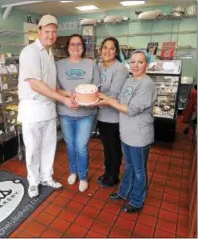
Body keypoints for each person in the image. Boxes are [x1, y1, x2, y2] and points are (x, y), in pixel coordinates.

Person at [18, 15, 78, 198]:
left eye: (53, 32)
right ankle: (33, 182)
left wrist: (65, 93)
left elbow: (50, 85)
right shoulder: (30, 52)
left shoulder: (49, 54)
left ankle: (46, 177)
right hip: (33, 108)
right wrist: (63, 100)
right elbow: (35, 84)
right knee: (33, 148)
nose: (50, 35)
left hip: (48, 108)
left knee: (49, 146)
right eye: (47, 31)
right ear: (39, 32)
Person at [98, 50, 157, 212]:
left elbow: (131, 109)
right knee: (129, 165)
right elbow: (119, 101)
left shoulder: (147, 84)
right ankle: (124, 192)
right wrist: (100, 96)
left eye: (140, 62)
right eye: (133, 62)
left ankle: (137, 201)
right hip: (126, 133)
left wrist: (109, 101)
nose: (136, 65)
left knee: (139, 170)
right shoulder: (129, 81)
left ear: (147, 64)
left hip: (139, 135)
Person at [56, 34, 100, 192]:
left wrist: (83, 99)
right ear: (67, 47)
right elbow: (54, 88)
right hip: (65, 111)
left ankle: (82, 176)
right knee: (70, 145)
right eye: (72, 44)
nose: (75, 46)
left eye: (79, 44)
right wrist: (68, 96)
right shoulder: (58, 64)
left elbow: (95, 88)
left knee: (81, 146)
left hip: (86, 113)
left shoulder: (91, 64)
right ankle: (73, 171)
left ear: (83, 46)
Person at [97, 37, 129, 187]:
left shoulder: (120, 69)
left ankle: (113, 176)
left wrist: (93, 98)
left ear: (116, 52)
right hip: (101, 115)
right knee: (106, 146)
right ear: (100, 49)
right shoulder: (97, 66)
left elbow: (114, 94)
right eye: (105, 47)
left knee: (113, 146)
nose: (107, 51)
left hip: (114, 116)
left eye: (111, 48)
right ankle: (107, 172)